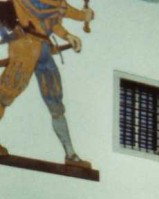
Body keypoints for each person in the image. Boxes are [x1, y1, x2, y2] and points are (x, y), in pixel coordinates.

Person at [0, 0, 94, 167]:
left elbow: (51, 23)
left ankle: (71, 155)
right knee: (4, 96)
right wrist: (82, 16)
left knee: (56, 103)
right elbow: (43, 10)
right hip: (24, 47)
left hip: (43, 48)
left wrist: (67, 36)